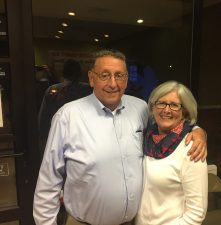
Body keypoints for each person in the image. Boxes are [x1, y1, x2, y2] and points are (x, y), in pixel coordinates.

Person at [33, 49, 207, 225]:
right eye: (104, 75)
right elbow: (49, 181)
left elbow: (168, 123)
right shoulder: (68, 117)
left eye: (119, 75)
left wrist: (199, 132)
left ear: (126, 79)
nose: (113, 83)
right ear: (91, 78)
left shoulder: (140, 109)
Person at [135, 81, 208, 225]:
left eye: (174, 105)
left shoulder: (192, 148)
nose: (166, 110)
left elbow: (196, 213)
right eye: (161, 103)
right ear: (153, 107)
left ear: (185, 111)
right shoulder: (145, 137)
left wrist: (199, 132)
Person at [38, 59, 92, 158]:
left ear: (63, 73)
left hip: (58, 138)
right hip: (85, 138)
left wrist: (44, 140)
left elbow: (43, 119)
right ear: (80, 73)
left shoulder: (52, 90)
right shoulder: (89, 89)